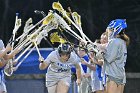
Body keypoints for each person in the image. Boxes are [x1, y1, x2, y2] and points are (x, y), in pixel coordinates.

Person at [103, 19, 130, 93]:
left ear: (116, 29)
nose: (109, 32)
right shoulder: (122, 41)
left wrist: (98, 53)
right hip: (120, 74)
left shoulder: (114, 41)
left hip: (113, 75)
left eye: (110, 29)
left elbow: (108, 58)